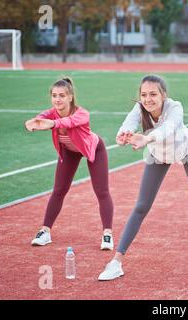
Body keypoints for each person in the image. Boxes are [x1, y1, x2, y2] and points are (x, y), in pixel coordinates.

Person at [97, 75, 188, 287]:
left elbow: (167, 129)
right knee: (141, 206)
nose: (148, 99)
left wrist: (146, 138)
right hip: (158, 154)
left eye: (153, 94)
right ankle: (116, 263)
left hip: (187, 150)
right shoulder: (139, 109)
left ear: (163, 95)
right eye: (144, 94)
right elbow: (127, 126)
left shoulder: (175, 107)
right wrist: (122, 136)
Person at [25, 77, 114, 250]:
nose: (57, 99)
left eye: (62, 96)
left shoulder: (82, 113)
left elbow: (69, 122)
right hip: (69, 151)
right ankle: (45, 231)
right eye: (54, 95)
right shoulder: (51, 113)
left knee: (102, 191)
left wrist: (52, 123)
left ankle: (107, 234)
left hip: (94, 150)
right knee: (59, 190)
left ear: (70, 97)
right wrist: (34, 122)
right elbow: (41, 118)